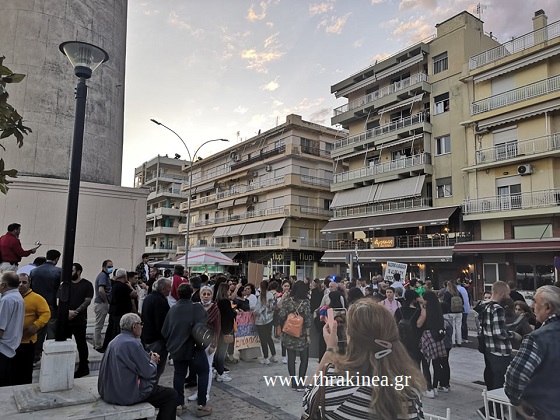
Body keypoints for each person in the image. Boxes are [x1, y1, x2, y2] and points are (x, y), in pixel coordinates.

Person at [302, 299, 425, 419]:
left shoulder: (335, 387)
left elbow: (308, 401)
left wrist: (329, 350)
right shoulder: (410, 390)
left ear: (352, 339)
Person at [98, 313, 177, 420]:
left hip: (108, 391)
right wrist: (153, 362)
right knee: (171, 395)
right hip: (124, 395)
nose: (142, 327)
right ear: (134, 327)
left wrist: (147, 357)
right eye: (141, 324)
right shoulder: (132, 343)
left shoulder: (114, 341)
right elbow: (148, 372)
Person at [505, 285, 560, 420]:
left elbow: (515, 375)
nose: (531, 306)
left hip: (542, 411)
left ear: (547, 307)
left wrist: (517, 404)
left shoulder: (537, 338)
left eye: (535, 301)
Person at [162, 283, 212, 417]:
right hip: (194, 348)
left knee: (179, 374)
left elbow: (165, 331)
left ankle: (179, 403)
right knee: (203, 372)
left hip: (177, 349)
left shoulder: (172, 309)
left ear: (178, 294)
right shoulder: (197, 308)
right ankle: (202, 404)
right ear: (191, 294)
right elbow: (204, 324)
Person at [478, 281, 518, 396]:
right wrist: (513, 335)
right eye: (508, 294)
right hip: (500, 350)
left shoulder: (484, 306)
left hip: (488, 348)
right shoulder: (498, 308)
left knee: (492, 378)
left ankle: (491, 404)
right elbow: (499, 332)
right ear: (503, 293)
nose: (509, 296)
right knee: (500, 381)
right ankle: (496, 407)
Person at [11, 273, 50, 384]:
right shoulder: (10, 296)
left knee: (25, 371)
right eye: (18, 282)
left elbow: (46, 313)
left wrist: (36, 325)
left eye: (24, 282)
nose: (21, 285)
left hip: (27, 341)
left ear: (29, 283)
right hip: (10, 341)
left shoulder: (37, 298)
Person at [188, 285, 220, 404]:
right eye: (204, 294)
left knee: (208, 367)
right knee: (198, 368)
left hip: (209, 341)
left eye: (208, 294)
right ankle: (199, 392)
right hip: (197, 342)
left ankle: (205, 392)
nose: (206, 296)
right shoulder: (196, 307)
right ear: (200, 295)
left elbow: (217, 327)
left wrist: (214, 344)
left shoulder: (215, 308)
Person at [278, 281, 312, 391]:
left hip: (288, 332)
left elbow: (281, 315)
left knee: (291, 358)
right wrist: (308, 335)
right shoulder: (305, 302)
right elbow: (307, 320)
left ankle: (293, 383)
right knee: (304, 358)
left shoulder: (288, 300)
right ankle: (301, 383)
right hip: (301, 334)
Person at [30, 249, 61, 361]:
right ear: (57, 259)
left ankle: (35, 355)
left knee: (38, 330)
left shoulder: (34, 271)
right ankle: (49, 355)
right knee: (51, 330)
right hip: (51, 304)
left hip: (36, 305)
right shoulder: (58, 272)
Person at [417, 291, 448, 399]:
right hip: (438, 337)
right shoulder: (438, 307)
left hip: (427, 335)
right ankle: (435, 387)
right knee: (437, 363)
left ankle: (428, 388)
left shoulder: (426, 308)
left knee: (426, 364)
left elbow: (421, 322)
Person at [66, 262, 94, 378]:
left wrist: (75, 312)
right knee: (65, 343)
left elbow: (87, 301)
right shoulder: (65, 284)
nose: (70, 273)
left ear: (78, 271)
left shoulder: (87, 284)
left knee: (81, 344)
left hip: (80, 319)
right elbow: (59, 299)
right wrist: (67, 312)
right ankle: (66, 365)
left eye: (72, 271)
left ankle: (83, 367)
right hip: (66, 319)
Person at [141, 277, 171, 382]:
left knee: (150, 367)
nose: (170, 289)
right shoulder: (160, 301)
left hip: (147, 337)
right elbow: (162, 324)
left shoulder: (149, 298)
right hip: (156, 340)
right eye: (168, 287)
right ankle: (151, 390)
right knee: (156, 368)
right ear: (162, 288)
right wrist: (167, 339)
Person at [0, 271, 25, 386]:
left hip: (3, 347)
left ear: (4, 285)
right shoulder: (18, 297)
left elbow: (1, 328)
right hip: (12, 346)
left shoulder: (7, 300)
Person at [107, 268, 138, 344]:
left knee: (114, 330)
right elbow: (134, 294)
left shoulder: (114, 284)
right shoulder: (122, 286)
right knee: (119, 331)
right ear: (125, 276)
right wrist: (130, 287)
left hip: (115, 311)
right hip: (121, 312)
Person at [214, 281, 236, 383]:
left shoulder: (218, 301)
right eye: (228, 290)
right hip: (225, 330)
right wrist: (234, 312)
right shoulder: (225, 302)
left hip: (218, 330)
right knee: (221, 353)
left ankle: (217, 369)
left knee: (218, 352)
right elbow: (229, 316)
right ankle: (220, 373)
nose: (229, 292)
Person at [395, 290, 423, 365]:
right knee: (415, 364)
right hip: (414, 341)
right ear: (414, 299)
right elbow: (420, 326)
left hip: (401, 341)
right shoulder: (418, 312)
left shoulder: (399, 310)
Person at [254, 280, 278, 364]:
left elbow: (258, 309)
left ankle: (266, 357)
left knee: (263, 339)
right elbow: (273, 307)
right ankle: (274, 355)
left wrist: (256, 312)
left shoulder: (261, 296)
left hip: (261, 320)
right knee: (269, 338)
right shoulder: (271, 295)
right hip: (269, 319)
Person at [93, 260, 113, 351]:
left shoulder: (106, 276)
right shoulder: (102, 276)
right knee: (99, 326)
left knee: (99, 325)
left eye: (111, 266)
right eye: (109, 266)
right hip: (101, 303)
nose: (110, 268)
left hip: (102, 303)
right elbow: (101, 290)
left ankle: (97, 344)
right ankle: (98, 345)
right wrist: (106, 302)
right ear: (103, 267)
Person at [443, 280, 463, 347]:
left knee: (452, 328)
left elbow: (445, 303)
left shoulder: (447, 293)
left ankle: (453, 342)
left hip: (451, 312)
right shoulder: (458, 293)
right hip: (459, 312)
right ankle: (459, 342)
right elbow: (463, 302)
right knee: (458, 327)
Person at [456, 278, 471, 343]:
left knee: (461, 323)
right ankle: (465, 337)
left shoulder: (457, 290)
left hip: (461, 308)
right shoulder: (463, 289)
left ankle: (462, 337)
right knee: (464, 323)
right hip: (466, 307)